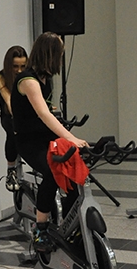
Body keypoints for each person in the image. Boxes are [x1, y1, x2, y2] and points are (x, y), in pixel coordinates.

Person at [11, 32, 88, 252]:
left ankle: (71, 222)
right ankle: (40, 229)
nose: (61, 58)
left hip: (45, 137)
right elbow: (44, 114)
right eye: (60, 54)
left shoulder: (45, 79)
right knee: (52, 172)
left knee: (72, 170)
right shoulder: (28, 80)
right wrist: (71, 138)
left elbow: (47, 112)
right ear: (50, 54)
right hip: (29, 141)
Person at [0, 45, 27, 191]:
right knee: (12, 131)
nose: (19, 70)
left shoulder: (27, 76)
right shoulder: (0, 78)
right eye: (15, 66)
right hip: (8, 116)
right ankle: (11, 170)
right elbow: (9, 100)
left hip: (26, 114)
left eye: (22, 66)